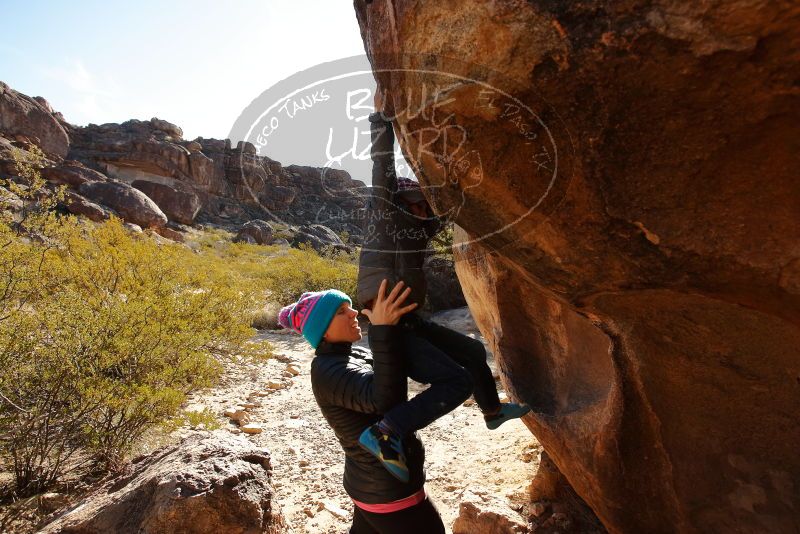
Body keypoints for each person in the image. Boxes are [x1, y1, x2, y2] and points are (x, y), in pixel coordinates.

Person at [356, 103, 530, 481]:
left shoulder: (420, 227)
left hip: (410, 318)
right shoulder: (385, 216)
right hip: (388, 320)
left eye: (424, 204)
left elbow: (446, 211)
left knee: (472, 352)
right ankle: (384, 432)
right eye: (416, 204)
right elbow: (380, 169)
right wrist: (379, 122)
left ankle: (492, 413)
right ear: (402, 202)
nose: (423, 210)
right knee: (456, 380)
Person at [278, 282, 446, 533]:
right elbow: (385, 398)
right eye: (340, 311)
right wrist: (382, 330)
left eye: (350, 307)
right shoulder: (327, 370)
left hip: (373, 486)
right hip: (389, 493)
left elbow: (391, 372)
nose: (354, 313)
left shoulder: (349, 355)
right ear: (322, 330)